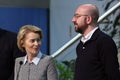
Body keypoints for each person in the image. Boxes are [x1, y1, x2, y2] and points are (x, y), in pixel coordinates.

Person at [72, 4, 120, 80]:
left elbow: (113, 75)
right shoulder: (80, 45)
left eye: (77, 16)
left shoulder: (104, 42)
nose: (73, 20)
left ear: (88, 19)